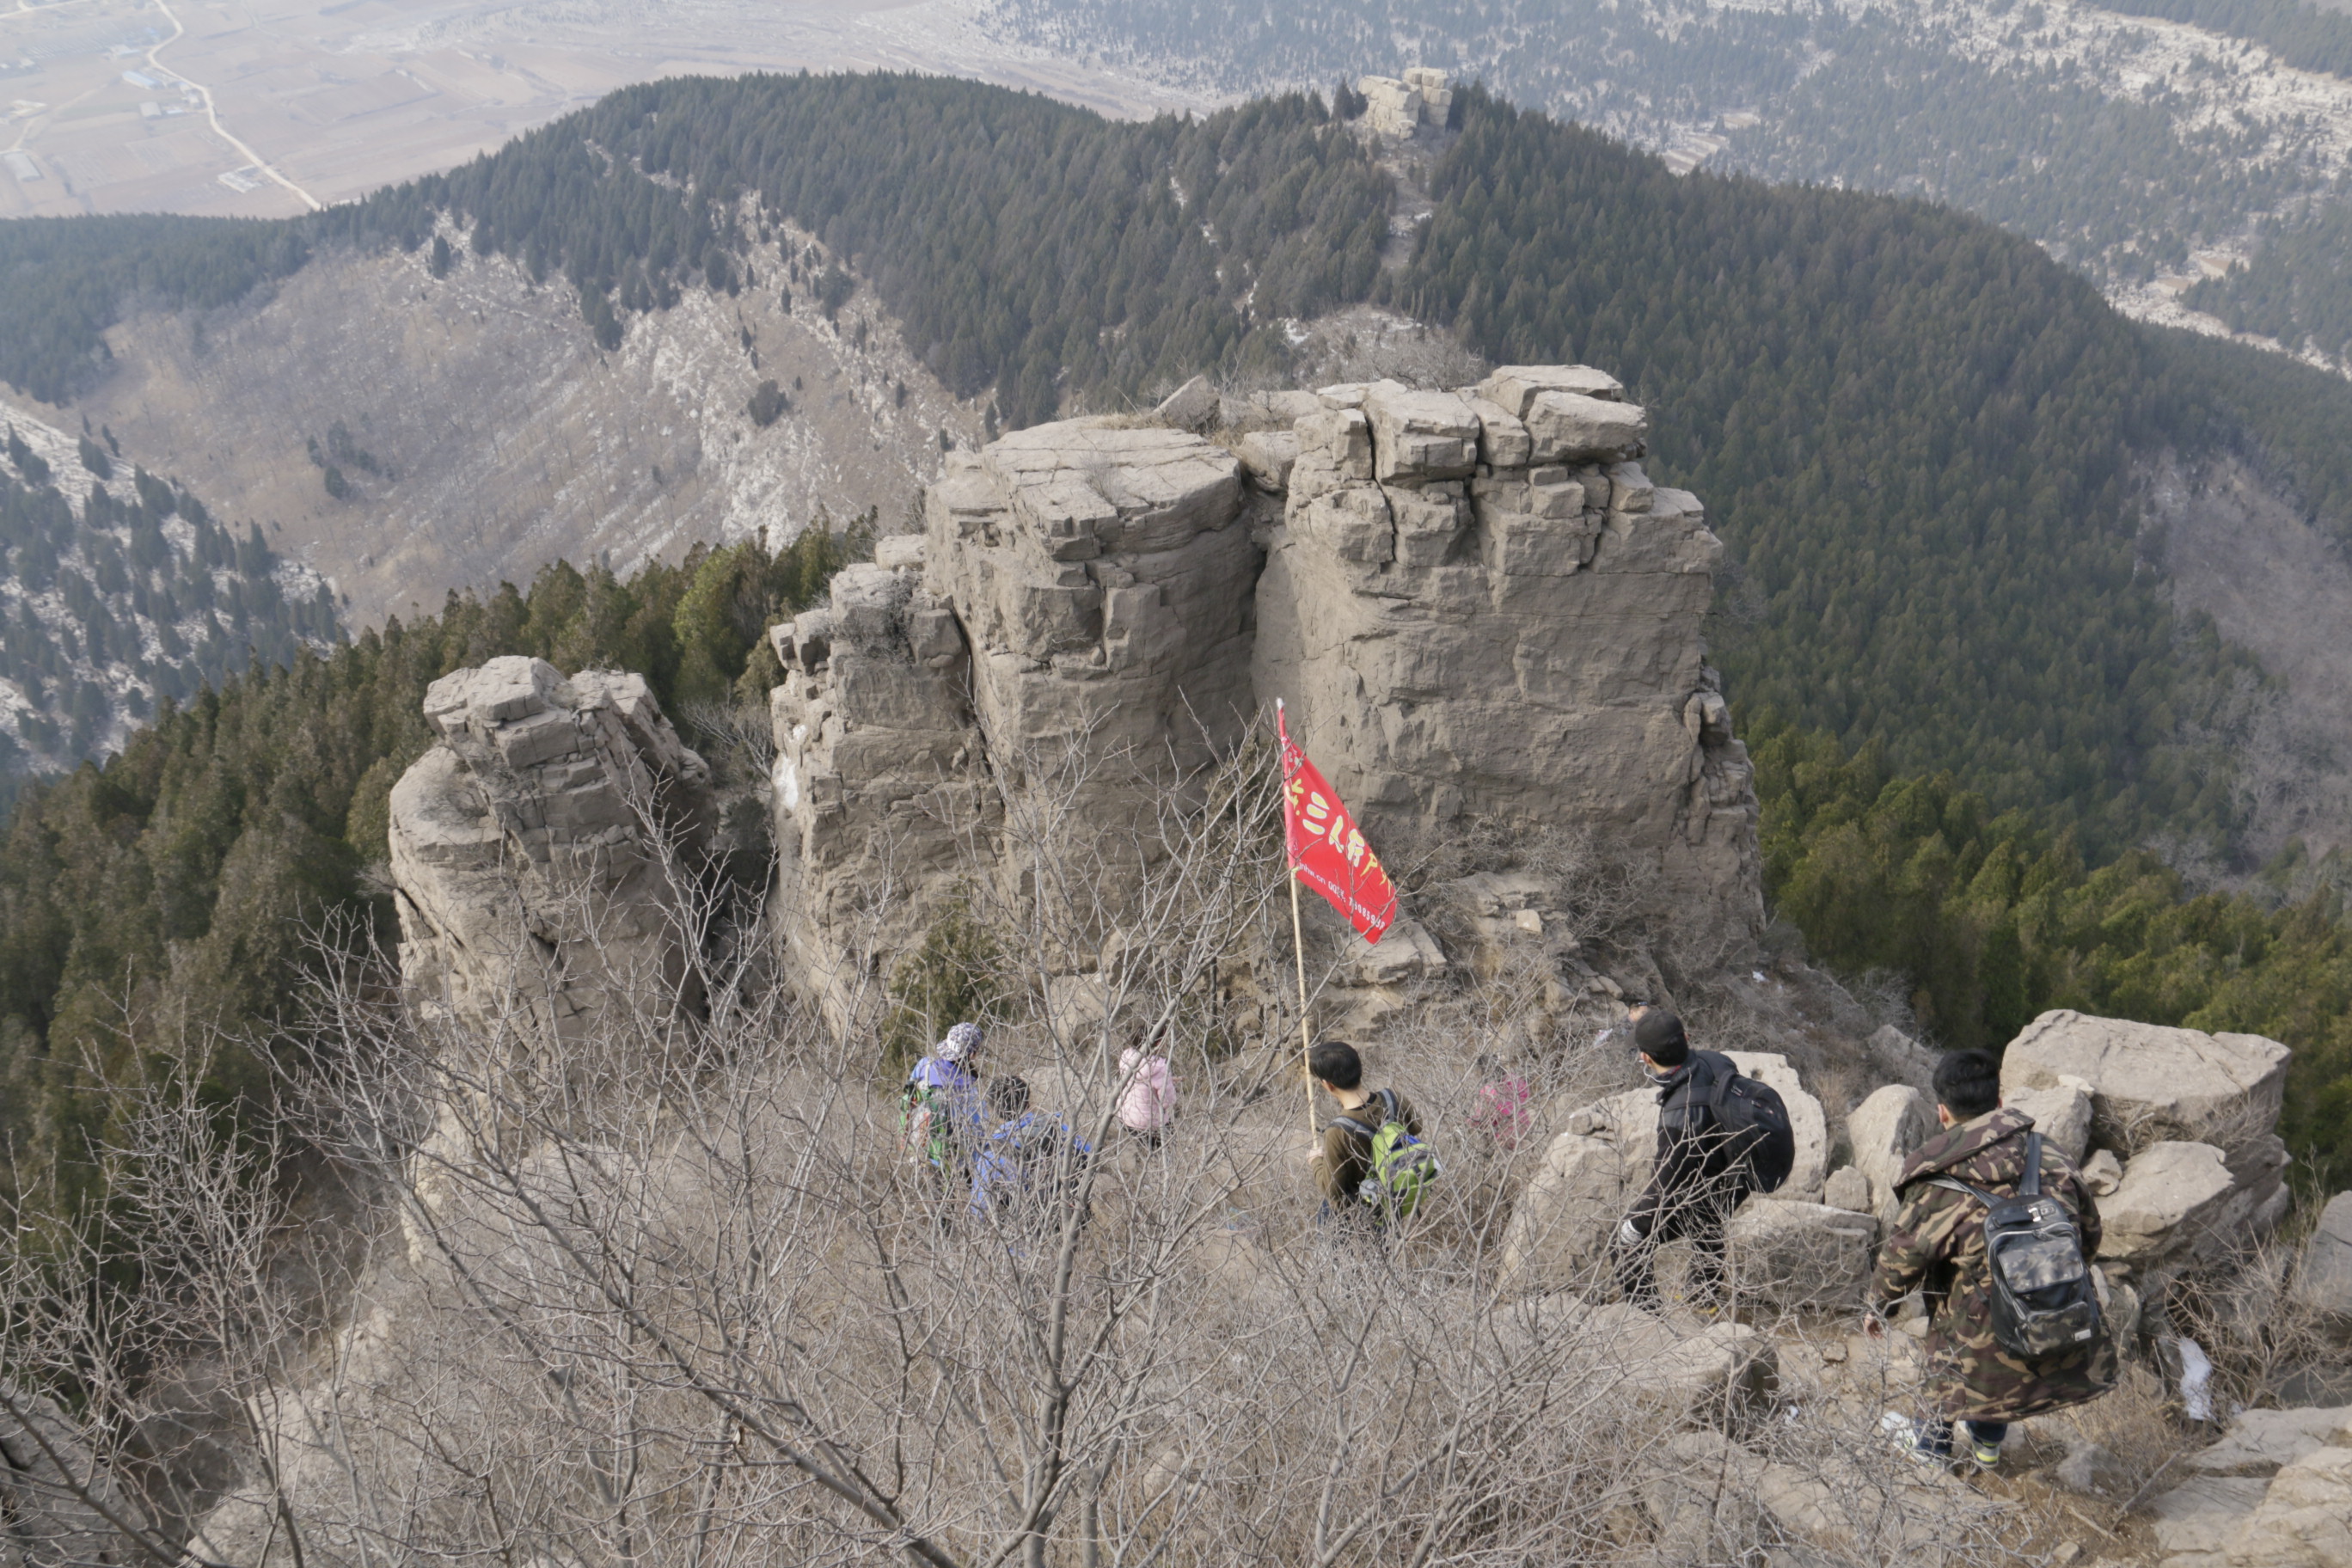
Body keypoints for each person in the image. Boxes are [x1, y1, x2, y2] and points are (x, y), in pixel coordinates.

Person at [1865, 1049, 2116, 1467]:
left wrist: (1877, 1305)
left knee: (1955, 1324)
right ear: (1999, 1103)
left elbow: (1901, 1261)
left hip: (1977, 1353)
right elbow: (2088, 1237)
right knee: (1996, 1310)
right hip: (2050, 1329)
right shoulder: (2051, 1155)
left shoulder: (1938, 1181)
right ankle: (1986, 1444)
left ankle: (1930, 1449)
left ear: (1942, 1113)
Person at [1610, 1008, 1749, 1312]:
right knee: (1706, 1216)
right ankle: (1704, 1298)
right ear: (1687, 1038)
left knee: (1623, 1241)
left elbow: (1665, 1186)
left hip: (1701, 1171)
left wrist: (1636, 1224)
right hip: (1732, 1167)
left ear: (1645, 1058)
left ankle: (1648, 1317)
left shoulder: (1678, 1117)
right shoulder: (1718, 1060)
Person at [1308, 1041, 1424, 1225]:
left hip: (1357, 1217)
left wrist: (1315, 1160)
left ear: (1328, 1085)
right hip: (1391, 1203)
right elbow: (1417, 1127)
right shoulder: (1393, 1099)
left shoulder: (1337, 1132)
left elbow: (1332, 1190)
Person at [968, 1075, 1094, 1238]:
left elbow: (979, 1208)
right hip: (1070, 1219)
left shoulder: (992, 1152)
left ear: (994, 1109)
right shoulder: (1055, 1126)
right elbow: (1090, 1155)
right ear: (1028, 1099)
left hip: (1024, 1233)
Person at [902, 1020, 987, 1195]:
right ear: (971, 1054)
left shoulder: (924, 1065)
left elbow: (909, 1099)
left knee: (933, 1202)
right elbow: (976, 1128)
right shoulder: (966, 1085)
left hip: (921, 1146)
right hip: (950, 1156)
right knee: (952, 1205)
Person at [1118, 1036, 1177, 1147]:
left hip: (1126, 1117)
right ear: (1159, 1042)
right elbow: (1168, 1101)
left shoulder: (1127, 1057)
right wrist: (1169, 1083)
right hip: (1149, 1123)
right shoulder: (1160, 1067)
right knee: (1171, 1146)